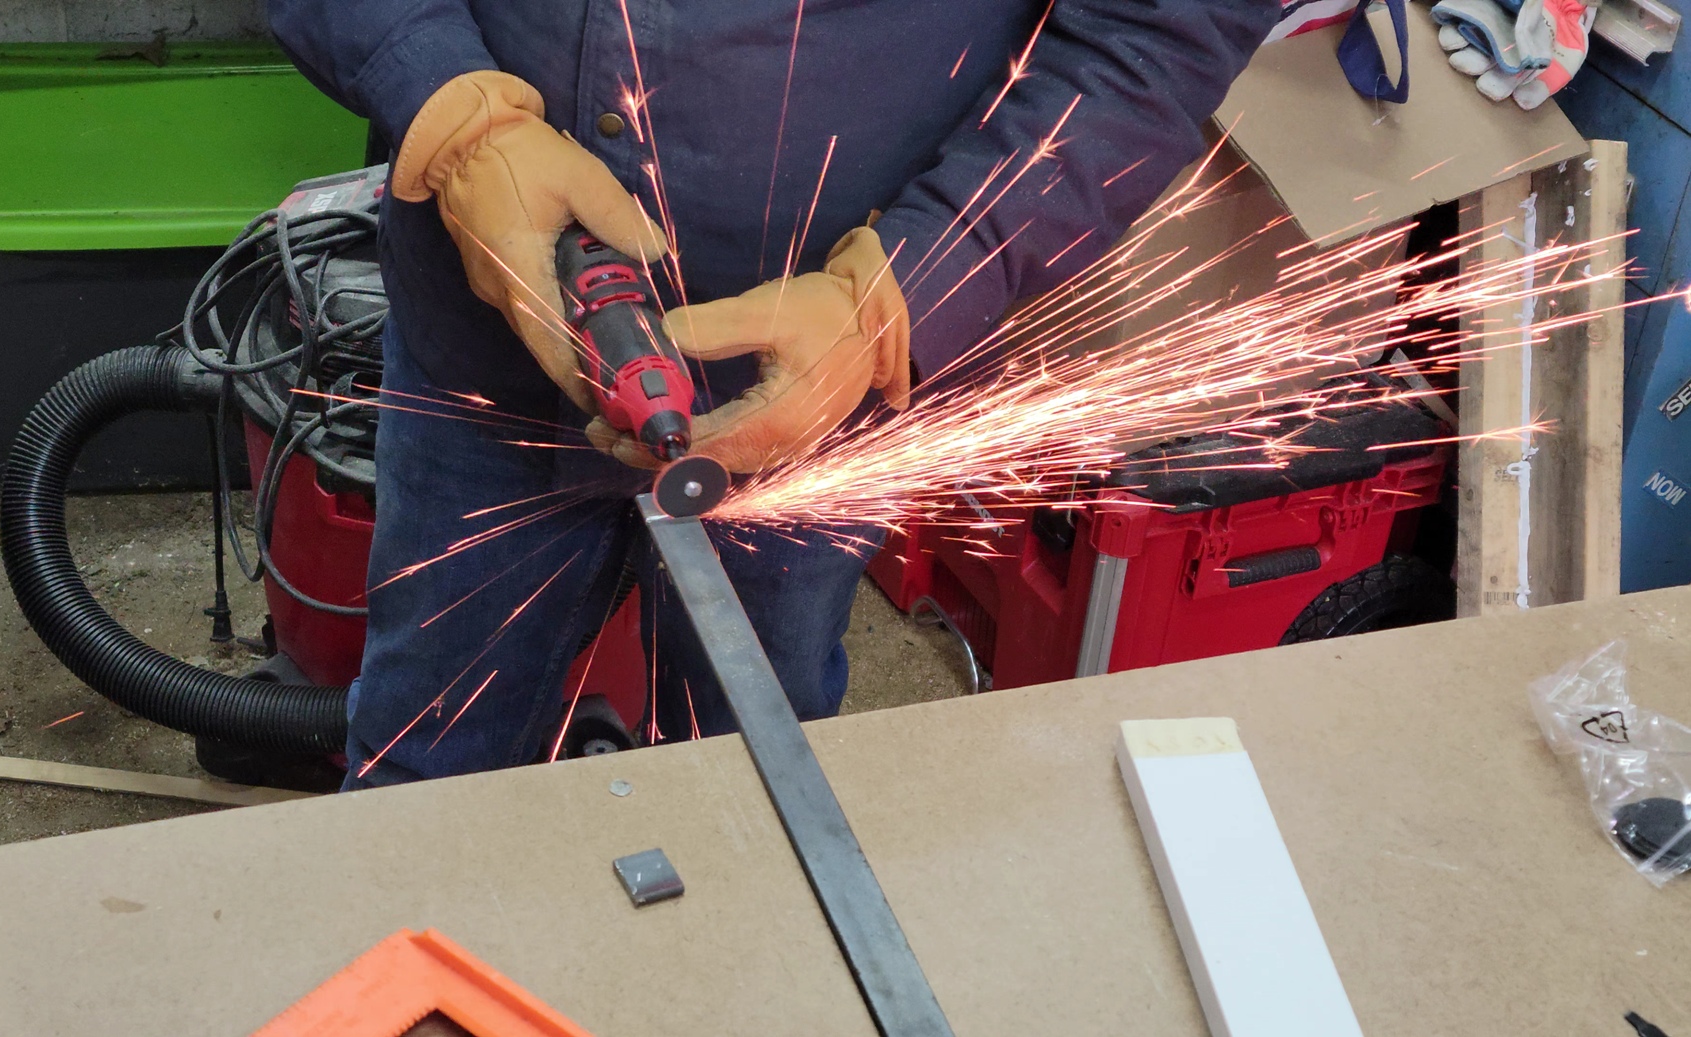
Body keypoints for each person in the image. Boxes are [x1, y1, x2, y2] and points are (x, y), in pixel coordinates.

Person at [268, 0, 1280, 787]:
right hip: (486, 332)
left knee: (749, 789)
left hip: (820, 392)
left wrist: (917, 285)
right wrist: (451, 108)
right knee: (428, 756)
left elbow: (1162, 23)